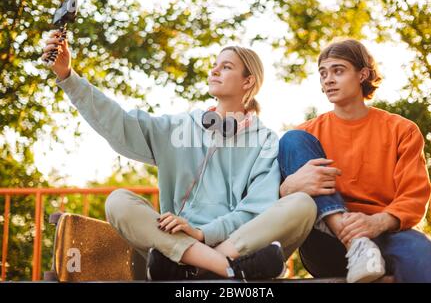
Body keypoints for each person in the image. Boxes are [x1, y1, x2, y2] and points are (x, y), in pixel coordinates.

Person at [41, 31, 317, 281]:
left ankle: (195, 269)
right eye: (215, 65)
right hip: (180, 243)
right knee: (118, 201)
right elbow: (121, 124)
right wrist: (69, 77)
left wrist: (204, 234)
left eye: (227, 66)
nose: (215, 70)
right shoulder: (179, 127)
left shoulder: (265, 140)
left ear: (248, 81)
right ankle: (227, 269)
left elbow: (257, 209)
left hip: (235, 241)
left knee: (302, 205)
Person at [278, 39, 431, 283]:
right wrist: (288, 187)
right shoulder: (307, 134)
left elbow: (413, 196)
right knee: (292, 139)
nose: (328, 80)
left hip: (384, 232)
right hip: (325, 241)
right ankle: (355, 243)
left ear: (363, 74)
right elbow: (269, 201)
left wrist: (376, 223)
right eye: (323, 74)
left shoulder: (402, 130)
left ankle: (362, 241)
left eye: (338, 71)